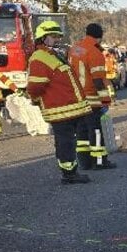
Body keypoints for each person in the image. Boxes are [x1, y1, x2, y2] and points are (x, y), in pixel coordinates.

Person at [25, 21, 93, 184]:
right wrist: (35, 99)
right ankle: (69, 174)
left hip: (69, 109)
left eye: (58, 36)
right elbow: (35, 86)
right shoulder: (39, 58)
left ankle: (72, 170)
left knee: (69, 141)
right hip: (60, 110)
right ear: (42, 38)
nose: (57, 39)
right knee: (65, 143)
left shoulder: (51, 55)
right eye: (53, 36)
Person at [69, 23, 116, 170]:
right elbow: (98, 81)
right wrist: (105, 100)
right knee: (95, 130)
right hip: (91, 97)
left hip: (76, 97)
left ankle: (85, 162)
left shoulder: (75, 48)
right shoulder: (95, 53)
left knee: (81, 131)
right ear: (100, 36)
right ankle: (100, 161)